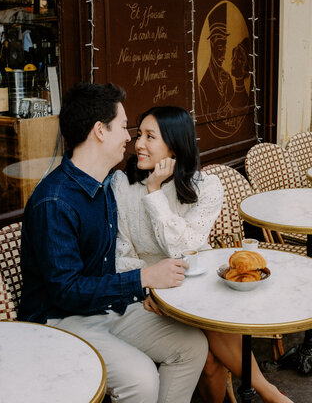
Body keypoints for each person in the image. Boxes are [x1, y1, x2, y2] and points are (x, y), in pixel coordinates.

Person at [18, 82, 208, 403]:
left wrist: (141, 292)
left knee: (192, 346)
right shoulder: (55, 201)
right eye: (123, 127)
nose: (129, 138)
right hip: (57, 320)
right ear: (99, 131)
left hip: (103, 308)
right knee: (141, 378)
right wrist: (142, 279)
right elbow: (67, 291)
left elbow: (112, 263)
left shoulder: (105, 184)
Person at [113, 105, 293, 403]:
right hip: (149, 292)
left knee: (213, 347)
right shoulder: (122, 184)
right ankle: (270, 393)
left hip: (196, 281)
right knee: (208, 359)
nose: (138, 144)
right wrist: (150, 287)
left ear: (174, 144)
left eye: (150, 136)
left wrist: (155, 192)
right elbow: (121, 253)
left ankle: (267, 392)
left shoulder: (207, 187)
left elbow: (185, 248)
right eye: (138, 134)